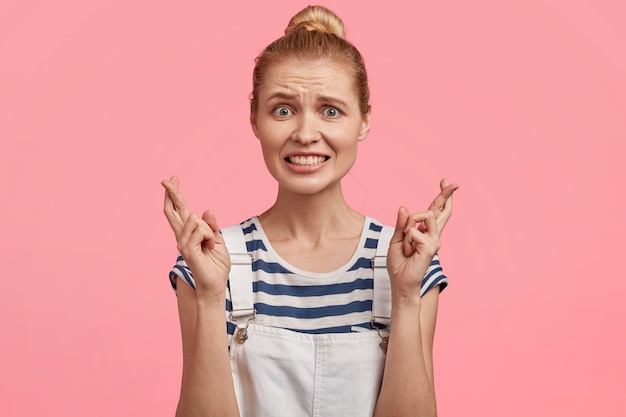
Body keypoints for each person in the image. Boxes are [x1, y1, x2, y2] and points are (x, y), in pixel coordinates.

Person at [161, 5, 458, 417]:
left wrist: (406, 297)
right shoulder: (210, 259)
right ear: (255, 119)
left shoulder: (406, 259)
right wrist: (211, 297)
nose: (304, 134)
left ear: (364, 121)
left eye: (330, 111)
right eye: (283, 109)